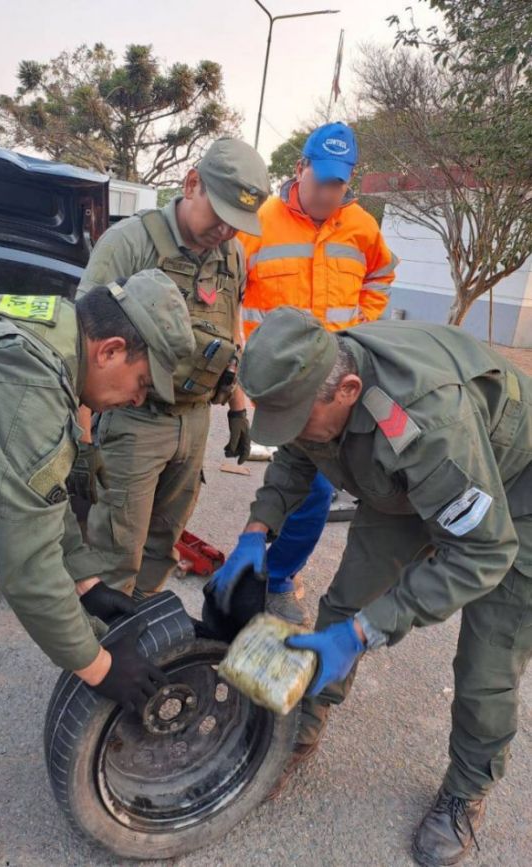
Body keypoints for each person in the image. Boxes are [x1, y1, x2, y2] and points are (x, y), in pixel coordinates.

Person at [0, 269, 194, 866]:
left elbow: (41, 490)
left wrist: (87, 581)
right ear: (109, 350)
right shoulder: (30, 380)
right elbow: (24, 570)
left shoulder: (55, 330)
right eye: (139, 384)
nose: (136, 400)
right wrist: (100, 668)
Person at [207, 307, 532, 866]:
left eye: (298, 418)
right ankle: (310, 715)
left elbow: (484, 550)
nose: (292, 431)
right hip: (409, 484)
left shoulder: (427, 422)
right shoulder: (320, 377)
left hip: (514, 496)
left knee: (486, 664)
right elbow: (296, 451)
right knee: (344, 602)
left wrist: (366, 632)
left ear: (349, 389)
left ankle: (466, 789)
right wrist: (257, 530)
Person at [76, 138, 270, 596]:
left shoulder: (232, 254)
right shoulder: (130, 243)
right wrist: (82, 441)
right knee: (117, 550)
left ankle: (136, 626)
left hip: (196, 419)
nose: (225, 230)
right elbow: (82, 348)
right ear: (192, 183)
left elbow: (231, 328)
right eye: (220, 215)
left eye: (236, 224)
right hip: (134, 420)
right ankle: (100, 657)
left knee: (163, 542)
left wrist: (238, 407)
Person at [237, 122, 398, 624]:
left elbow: (382, 274)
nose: (329, 192)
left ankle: (277, 574)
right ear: (300, 168)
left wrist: (362, 327)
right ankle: (269, 569)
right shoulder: (258, 223)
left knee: (317, 488)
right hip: (286, 385)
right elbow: (228, 293)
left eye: (339, 183)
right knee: (304, 480)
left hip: (342, 383)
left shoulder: (361, 227)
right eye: (321, 179)